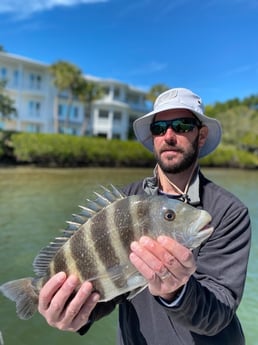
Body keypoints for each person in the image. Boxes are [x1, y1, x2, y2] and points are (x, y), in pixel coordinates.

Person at [38, 88, 251, 345]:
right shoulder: (125, 199)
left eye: (182, 125)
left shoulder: (228, 211)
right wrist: (75, 311)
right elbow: (112, 285)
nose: (169, 135)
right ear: (153, 137)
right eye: (160, 127)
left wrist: (177, 292)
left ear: (201, 135)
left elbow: (220, 311)